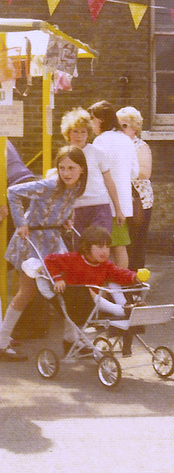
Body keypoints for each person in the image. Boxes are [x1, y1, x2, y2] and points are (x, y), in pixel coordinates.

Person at [0, 145, 88, 361]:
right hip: (32, 241)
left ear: (82, 169)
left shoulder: (77, 187)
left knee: (69, 287)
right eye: (62, 168)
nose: (66, 173)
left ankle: (71, 339)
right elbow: (13, 192)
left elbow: (66, 205)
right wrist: (21, 223)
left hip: (53, 239)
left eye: (71, 168)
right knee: (27, 291)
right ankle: (2, 343)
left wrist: (67, 219)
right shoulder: (49, 185)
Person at [43, 225, 146, 353]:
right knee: (88, 290)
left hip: (90, 304)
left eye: (107, 247)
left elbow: (119, 273)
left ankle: (124, 305)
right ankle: (121, 310)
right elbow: (49, 259)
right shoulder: (73, 259)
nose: (105, 251)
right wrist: (57, 278)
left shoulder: (105, 265)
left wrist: (135, 277)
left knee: (113, 279)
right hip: (74, 300)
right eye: (100, 247)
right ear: (86, 248)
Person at [88, 101, 139, 269]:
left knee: (102, 247)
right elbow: (135, 172)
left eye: (92, 119)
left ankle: (107, 289)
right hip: (123, 203)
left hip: (104, 202)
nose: (91, 123)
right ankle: (120, 285)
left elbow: (96, 172)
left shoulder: (100, 141)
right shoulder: (127, 140)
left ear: (101, 120)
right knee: (120, 246)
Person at [61, 107, 123, 236]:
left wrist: (118, 209)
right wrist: (64, 213)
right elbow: (62, 187)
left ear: (88, 133)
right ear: (68, 133)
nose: (79, 136)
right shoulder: (64, 155)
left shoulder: (97, 152)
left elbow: (109, 181)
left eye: (83, 132)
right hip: (77, 208)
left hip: (99, 206)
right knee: (81, 249)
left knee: (99, 244)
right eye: (75, 131)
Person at [117, 106, 154, 271]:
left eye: (124, 126)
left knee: (136, 243)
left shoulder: (141, 146)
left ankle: (135, 283)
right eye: (117, 126)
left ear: (135, 128)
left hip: (138, 202)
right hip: (117, 201)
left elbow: (145, 172)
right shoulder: (114, 144)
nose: (120, 129)